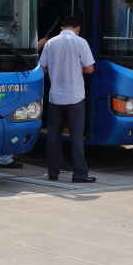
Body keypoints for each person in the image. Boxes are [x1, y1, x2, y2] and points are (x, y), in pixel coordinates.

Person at [39, 16, 96, 183]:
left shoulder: (50, 43)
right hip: (75, 96)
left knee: (53, 135)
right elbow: (90, 69)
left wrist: (56, 72)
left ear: (62, 27)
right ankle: (79, 173)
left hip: (55, 96)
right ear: (77, 28)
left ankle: (53, 172)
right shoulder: (81, 42)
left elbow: (43, 68)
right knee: (76, 136)